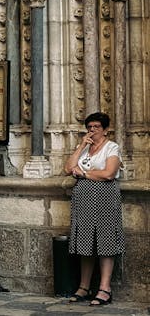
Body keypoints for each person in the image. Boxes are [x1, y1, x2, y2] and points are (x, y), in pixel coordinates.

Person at [64, 112, 125, 306]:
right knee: (85, 241)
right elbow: (68, 168)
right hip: (83, 200)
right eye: (89, 127)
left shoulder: (111, 147)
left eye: (96, 127)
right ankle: (84, 286)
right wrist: (82, 145)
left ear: (105, 129)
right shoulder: (84, 148)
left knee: (105, 240)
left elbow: (109, 173)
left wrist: (83, 174)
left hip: (105, 198)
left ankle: (105, 289)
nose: (92, 130)